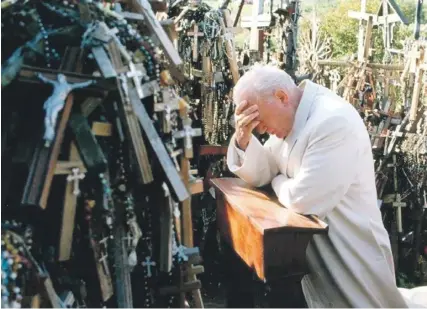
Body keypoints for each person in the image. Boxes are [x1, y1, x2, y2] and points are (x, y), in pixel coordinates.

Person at [226, 65, 427, 308]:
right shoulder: (291, 116)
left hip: (349, 250)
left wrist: (278, 181)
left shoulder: (332, 121)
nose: (259, 129)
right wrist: (243, 139)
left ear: (281, 97)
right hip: (311, 252)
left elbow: (304, 199)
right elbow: (266, 169)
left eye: (259, 120)